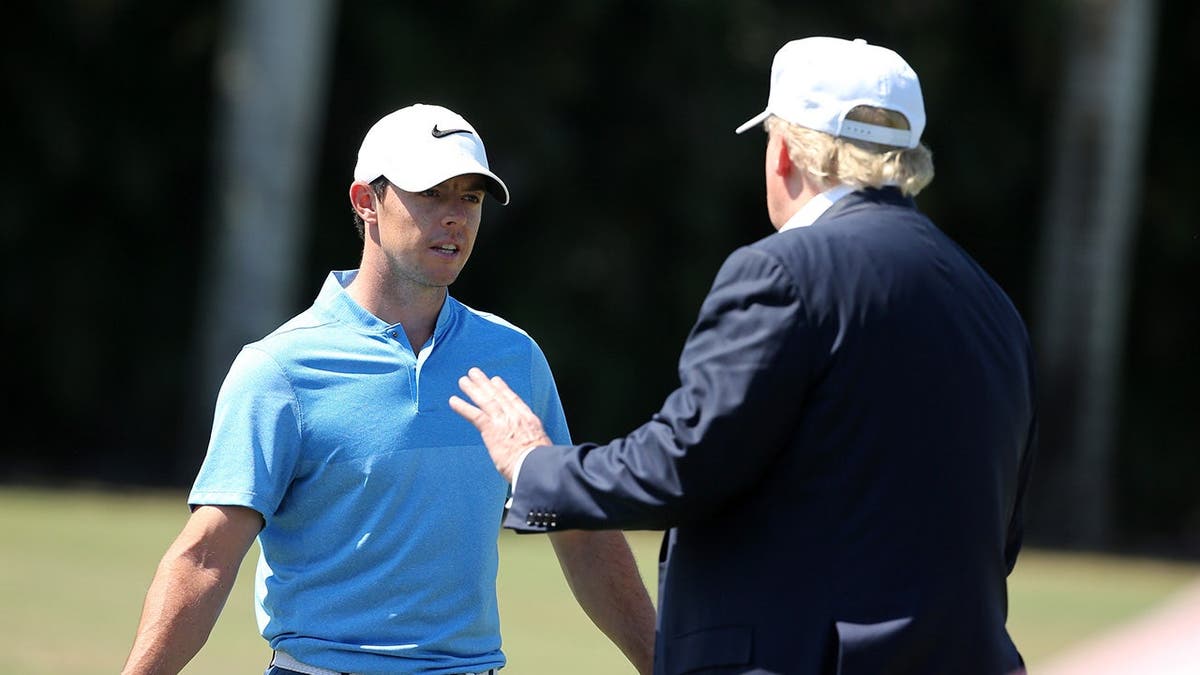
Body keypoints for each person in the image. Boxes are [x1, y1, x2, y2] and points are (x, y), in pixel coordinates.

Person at [450, 37, 1037, 675]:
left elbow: (686, 463)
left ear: (785, 152)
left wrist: (536, 465)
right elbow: (998, 532)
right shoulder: (989, 302)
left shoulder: (785, 271)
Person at [122, 103, 656, 675]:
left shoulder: (514, 358)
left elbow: (581, 534)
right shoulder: (279, 367)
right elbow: (208, 555)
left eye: (470, 198)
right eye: (432, 194)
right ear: (365, 202)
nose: (456, 217)